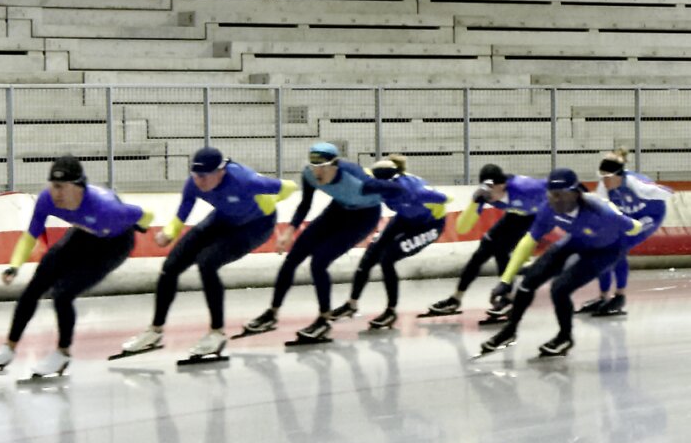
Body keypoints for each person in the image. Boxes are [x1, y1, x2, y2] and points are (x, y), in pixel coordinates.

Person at [0, 158, 146, 386]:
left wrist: (150, 228)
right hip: (84, 233)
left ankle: (62, 353)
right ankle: (8, 349)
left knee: (63, 294)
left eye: (60, 187)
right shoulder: (47, 199)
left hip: (115, 244)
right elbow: (31, 235)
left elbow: (142, 214)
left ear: (77, 187)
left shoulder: (104, 207)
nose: (55, 193)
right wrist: (14, 266)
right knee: (35, 286)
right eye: (52, 186)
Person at [115, 148, 278, 363]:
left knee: (207, 263)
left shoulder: (242, 179)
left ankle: (217, 333)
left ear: (220, 172)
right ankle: (154, 331)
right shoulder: (193, 183)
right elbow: (184, 209)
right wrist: (169, 233)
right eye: (195, 175)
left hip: (257, 225)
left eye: (203, 176)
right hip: (224, 219)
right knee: (170, 267)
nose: (198, 181)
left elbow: (282, 188)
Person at [477, 168, 629, 364]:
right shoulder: (548, 208)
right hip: (576, 240)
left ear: (575, 194)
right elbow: (528, 242)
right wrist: (506, 280)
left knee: (559, 289)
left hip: (606, 250)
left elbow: (633, 228)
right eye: (551, 194)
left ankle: (565, 337)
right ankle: (509, 331)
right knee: (528, 282)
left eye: (560, 194)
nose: (555, 200)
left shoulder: (600, 212)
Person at [243, 145, 383, 344]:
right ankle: (272, 313)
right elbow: (305, 204)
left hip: (364, 217)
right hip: (338, 210)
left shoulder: (354, 176)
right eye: (314, 166)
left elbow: (391, 192)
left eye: (323, 167)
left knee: (318, 263)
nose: (318, 172)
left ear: (335, 165)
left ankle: (324, 320)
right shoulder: (309, 175)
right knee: (292, 259)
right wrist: (290, 230)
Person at [421, 163, 549, 320]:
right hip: (514, 215)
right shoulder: (484, 195)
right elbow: (462, 228)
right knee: (480, 254)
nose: (488, 195)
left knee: (501, 250)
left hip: (536, 217)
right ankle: (455, 299)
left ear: (502, 185)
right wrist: (474, 203)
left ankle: (508, 298)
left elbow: (557, 186)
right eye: (485, 188)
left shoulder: (525, 187)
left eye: (491, 190)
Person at [343, 156, 448, 330]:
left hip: (429, 225)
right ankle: (351, 305)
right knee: (370, 256)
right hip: (404, 217)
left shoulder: (413, 190)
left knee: (387, 259)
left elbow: (445, 198)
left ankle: (391, 311)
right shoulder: (378, 181)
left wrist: (434, 210)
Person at [585, 155, 668, 314]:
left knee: (618, 248)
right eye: (601, 176)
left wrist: (654, 191)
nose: (604, 181)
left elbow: (667, 192)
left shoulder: (636, 184)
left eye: (607, 177)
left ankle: (619, 295)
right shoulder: (604, 187)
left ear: (619, 175)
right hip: (627, 215)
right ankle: (603, 297)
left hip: (650, 216)